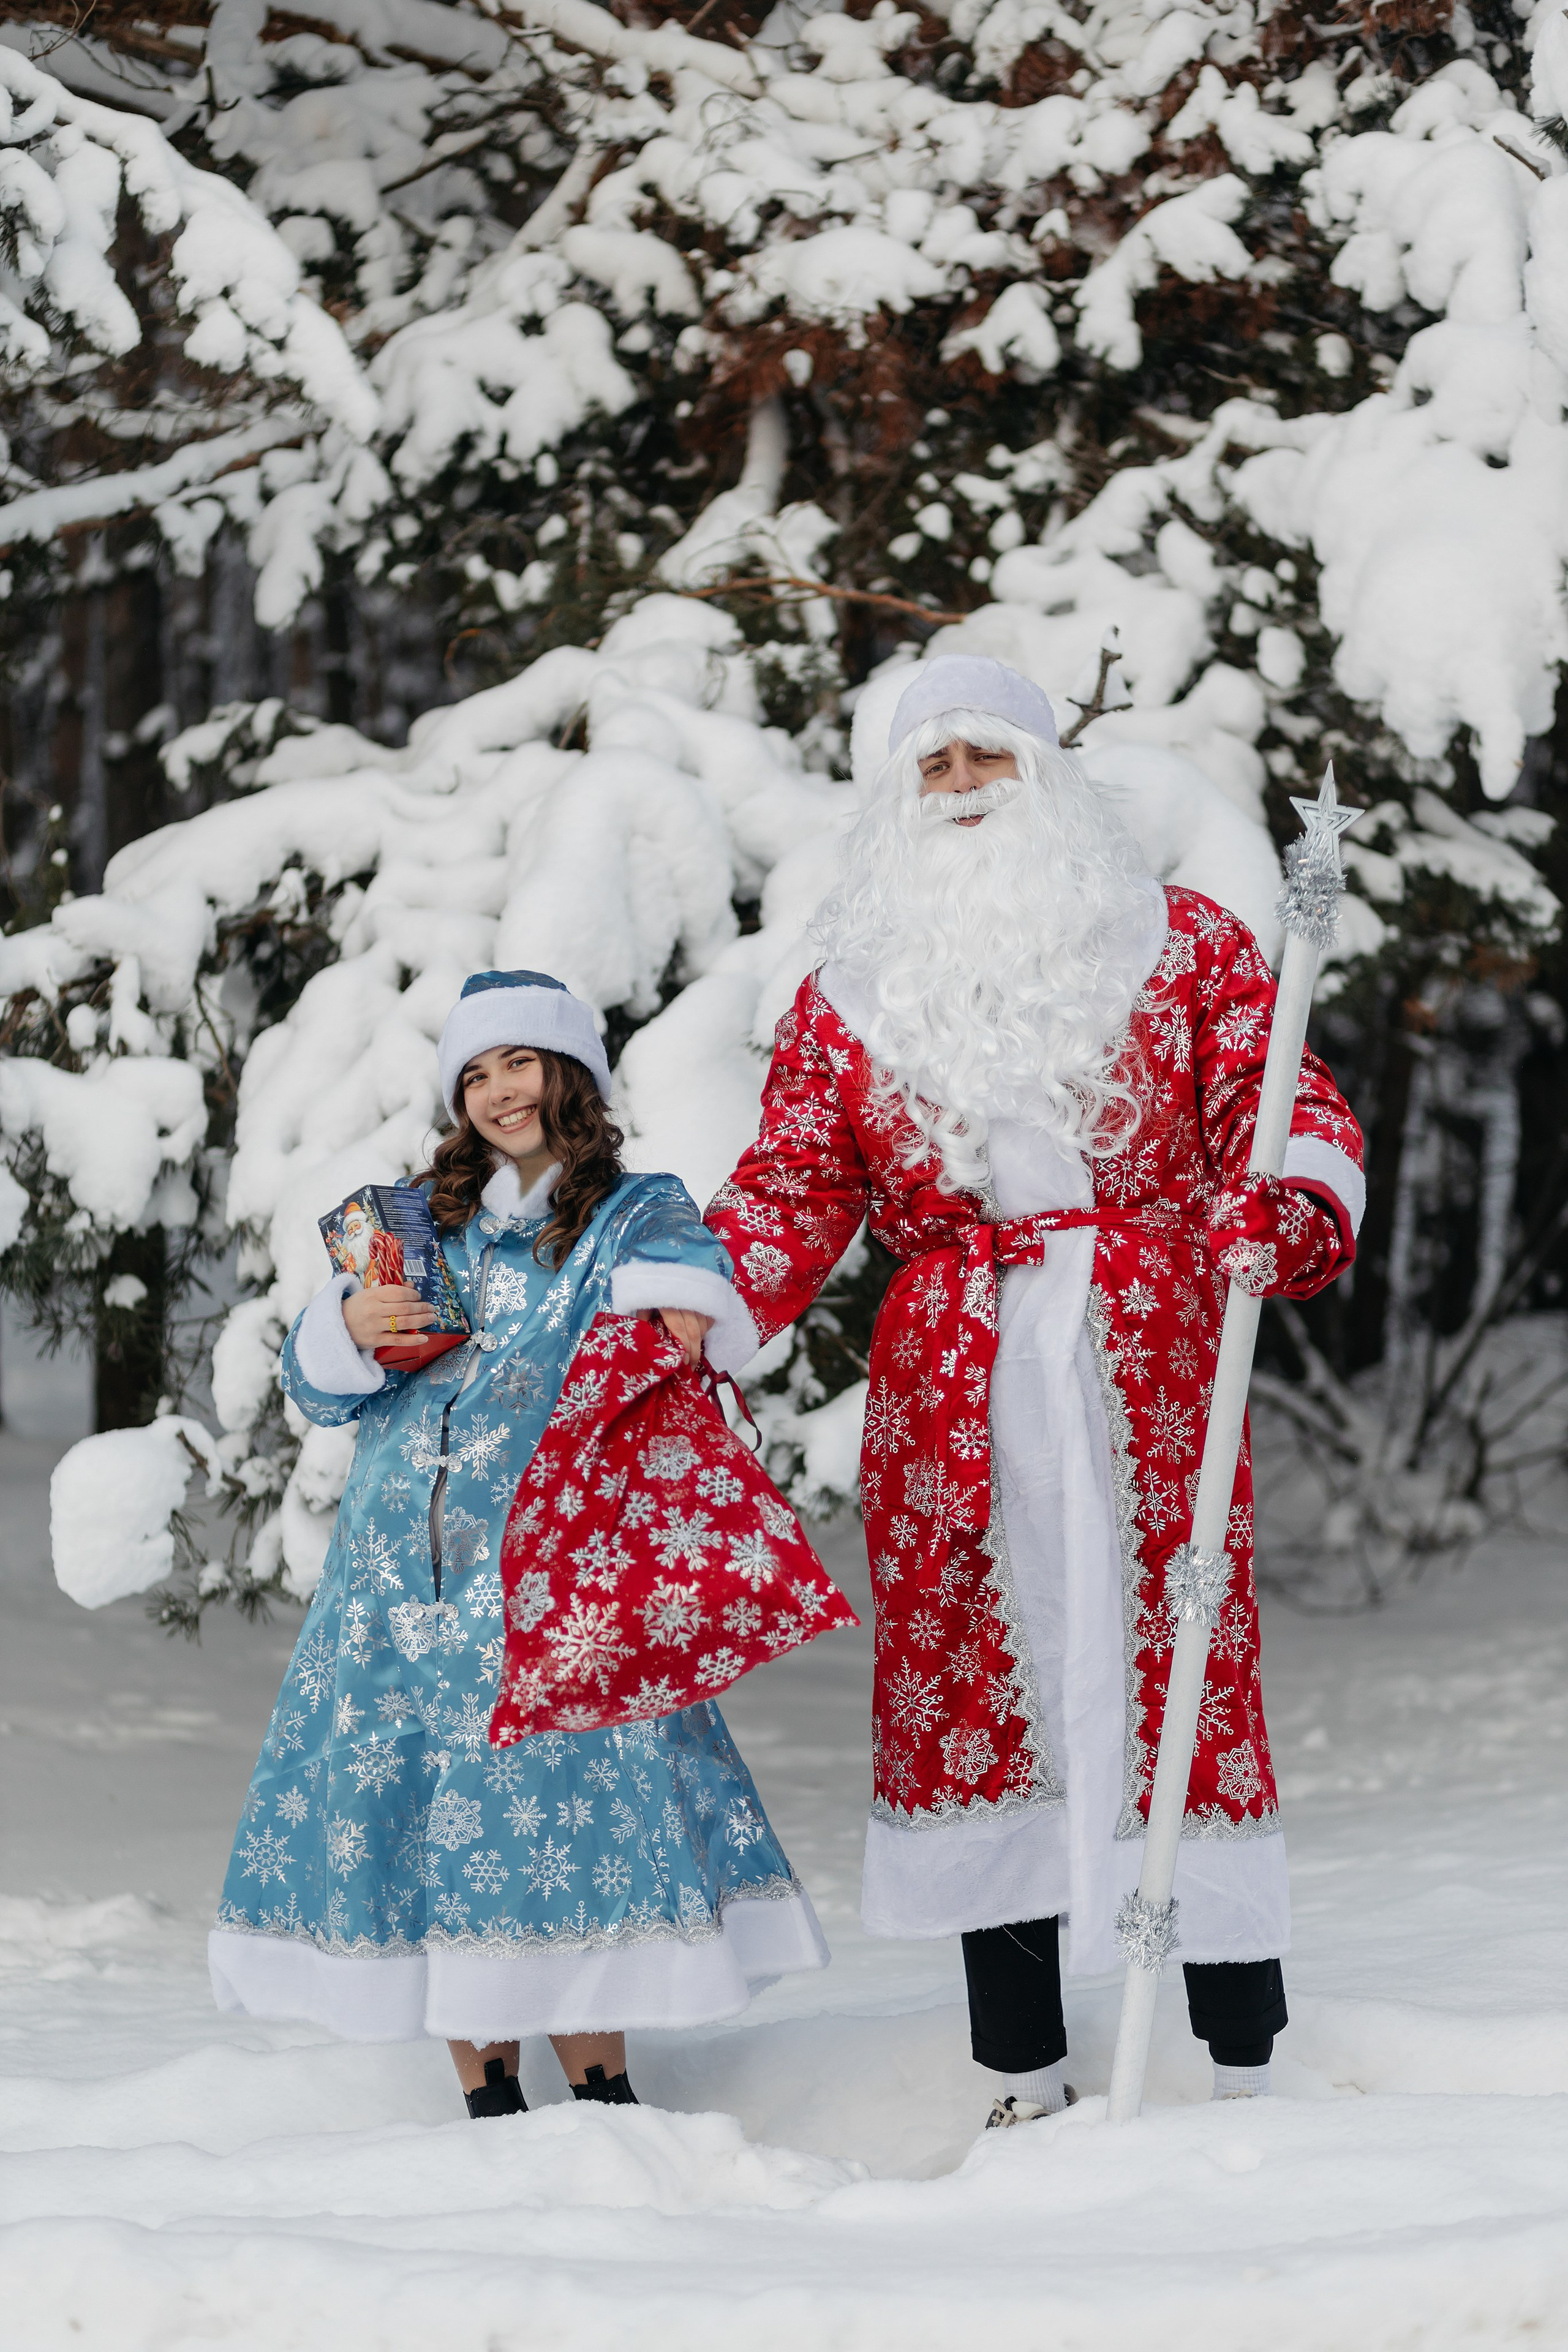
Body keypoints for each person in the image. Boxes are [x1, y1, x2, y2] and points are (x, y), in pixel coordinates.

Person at [703, 655, 1364, 2127]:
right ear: (892, 801)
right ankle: (1022, 2076)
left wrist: (1285, 1204)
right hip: (953, 1372)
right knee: (971, 1689)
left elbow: (1282, 1102)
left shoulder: (1177, 944)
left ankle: (1240, 2062)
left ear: (1043, 775)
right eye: (928, 769)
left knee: (1183, 1664)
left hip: (1148, 1350)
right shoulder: (846, 997)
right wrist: (696, 1313)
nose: (957, 791)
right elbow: (795, 1182)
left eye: (984, 759)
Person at [211, 968, 829, 2117]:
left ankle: (602, 2101)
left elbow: (694, 1311)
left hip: (553, 1585)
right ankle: (488, 2108)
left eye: (521, 1062)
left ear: (569, 1075)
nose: (500, 1090)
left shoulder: (631, 1212)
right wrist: (345, 1327)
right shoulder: (414, 1223)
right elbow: (321, 1389)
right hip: (402, 1581)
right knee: (429, 1823)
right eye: (478, 1071)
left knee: (569, 1824)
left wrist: (667, 1315)